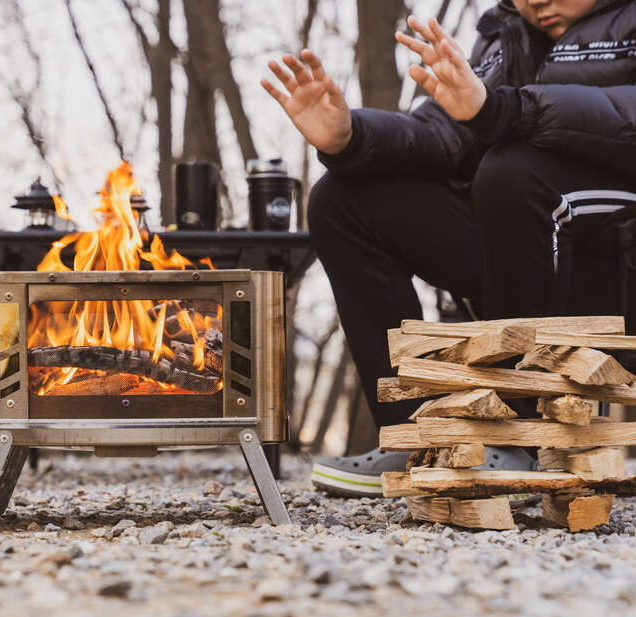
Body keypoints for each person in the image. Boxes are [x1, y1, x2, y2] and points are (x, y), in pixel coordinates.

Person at [263, 0, 636, 496]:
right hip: (520, 244)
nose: (533, 3)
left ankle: (516, 440)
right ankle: (419, 438)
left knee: (512, 174)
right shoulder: (506, 32)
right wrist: (350, 136)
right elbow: (444, 132)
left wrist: (502, 110)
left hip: (612, 250)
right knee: (342, 197)